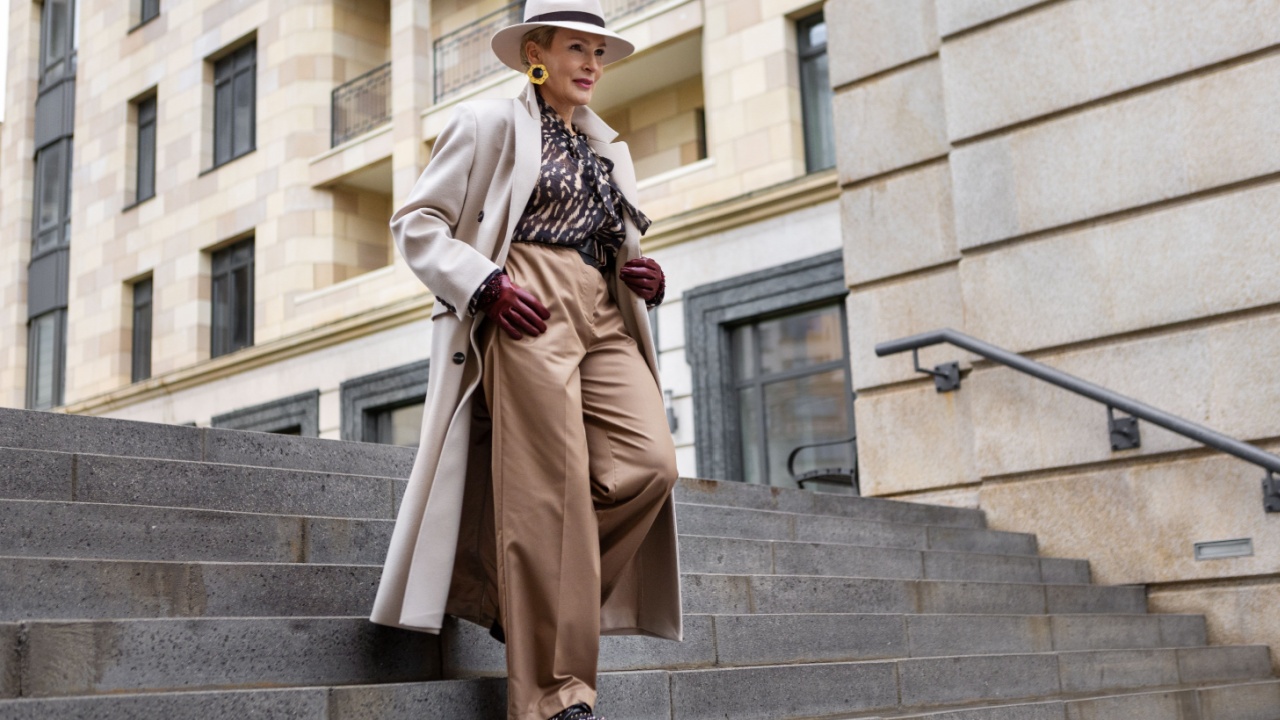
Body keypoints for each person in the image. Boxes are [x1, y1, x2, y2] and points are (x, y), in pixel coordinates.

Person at [369, 0, 683, 718]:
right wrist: (485, 284)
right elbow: (417, 223)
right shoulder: (488, 125)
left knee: (650, 465)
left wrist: (647, 275)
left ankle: (526, 598)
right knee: (550, 497)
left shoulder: (607, 149)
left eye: (599, 53)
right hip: (525, 299)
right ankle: (553, 696)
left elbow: (616, 238)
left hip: (602, 308)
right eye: (578, 49)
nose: (591, 66)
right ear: (535, 54)